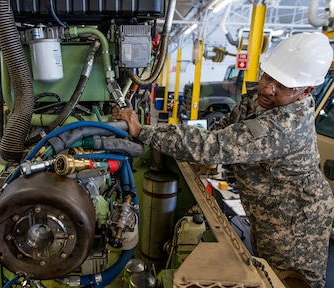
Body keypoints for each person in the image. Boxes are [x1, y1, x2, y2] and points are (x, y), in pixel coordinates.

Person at [112, 32, 334, 288]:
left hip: (296, 224)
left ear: (306, 90)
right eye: (268, 77)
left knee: (286, 281)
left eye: (281, 86)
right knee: (265, 268)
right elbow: (221, 130)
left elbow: (215, 146)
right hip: (268, 212)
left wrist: (143, 131)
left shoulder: (284, 127)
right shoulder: (263, 100)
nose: (267, 88)